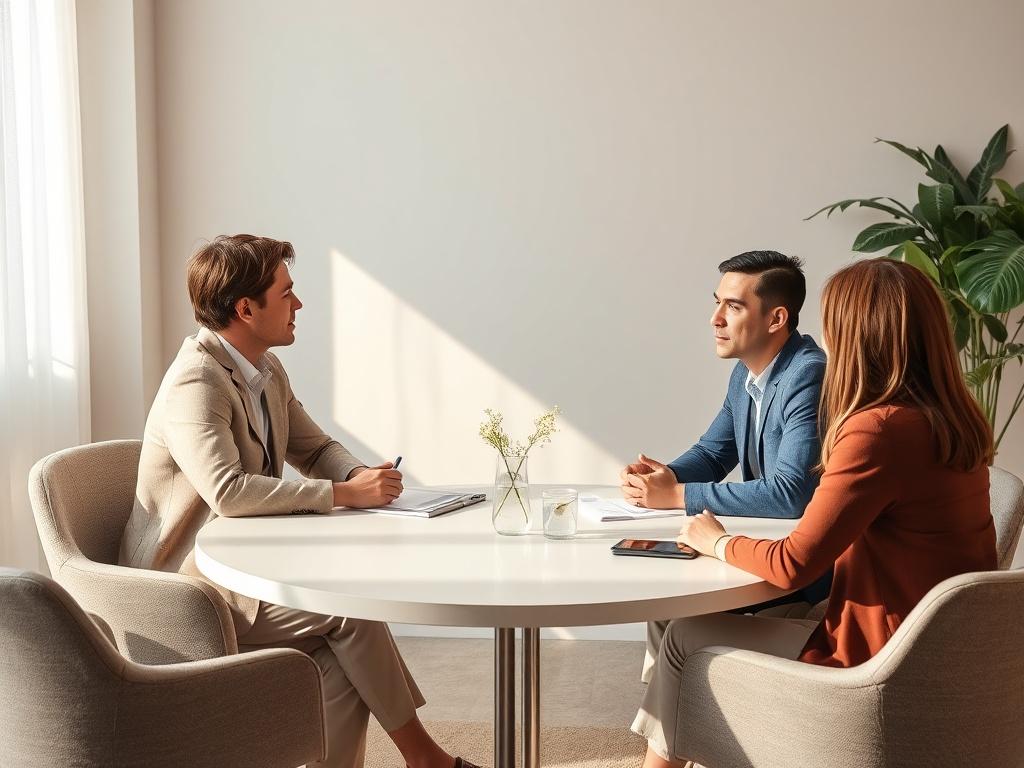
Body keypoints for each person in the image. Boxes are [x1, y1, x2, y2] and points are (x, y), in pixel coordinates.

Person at [119, 235, 476, 768]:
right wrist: (342, 495)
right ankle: (427, 759)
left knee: (340, 658)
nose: (299, 305)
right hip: (191, 591)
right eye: (287, 293)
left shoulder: (263, 368)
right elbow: (228, 490)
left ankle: (420, 761)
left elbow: (315, 448)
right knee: (348, 615)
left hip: (243, 569)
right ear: (245, 309)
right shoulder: (196, 382)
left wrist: (358, 474)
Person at [631, 258, 996, 768]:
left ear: (859, 335)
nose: (824, 340)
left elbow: (793, 562)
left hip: (876, 655)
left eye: (833, 323)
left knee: (685, 635)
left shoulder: (877, 431)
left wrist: (715, 540)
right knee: (682, 619)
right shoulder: (954, 420)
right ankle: (694, 738)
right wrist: (667, 480)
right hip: (935, 646)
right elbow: (717, 452)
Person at [619, 251, 829, 681]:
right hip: (764, 549)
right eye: (716, 303)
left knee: (676, 612)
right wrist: (664, 478)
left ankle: (671, 740)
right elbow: (714, 453)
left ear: (776, 319)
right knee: (665, 605)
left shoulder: (808, 374)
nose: (715, 318)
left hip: (804, 580)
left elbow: (791, 494)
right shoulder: (746, 374)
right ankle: (676, 733)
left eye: (733, 306)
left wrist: (676, 496)